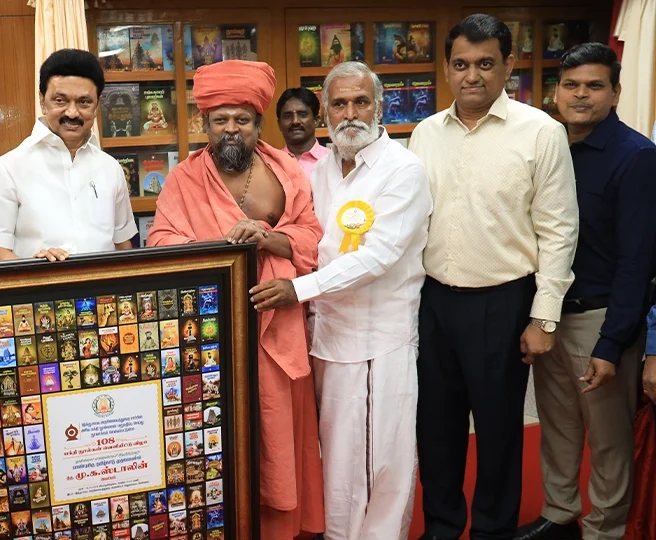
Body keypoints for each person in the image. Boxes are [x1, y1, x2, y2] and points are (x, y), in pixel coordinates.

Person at [409, 14, 578, 540]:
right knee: (435, 429)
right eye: (461, 64)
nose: (472, 75)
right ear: (446, 68)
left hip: (503, 303)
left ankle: (492, 531)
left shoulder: (541, 132)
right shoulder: (424, 133)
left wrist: (544, 319)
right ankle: (441, 527)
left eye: (486, 63)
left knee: (499, 429)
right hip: (433, 302)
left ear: (509, 66)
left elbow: (559, 230)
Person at [251, 61, 432, 539]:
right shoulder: (318, 172)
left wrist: (297, 290)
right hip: (324, 337)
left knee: (380, 458)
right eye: (339, 104)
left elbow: (379, 256)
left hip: (378, 339)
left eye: (361, 102)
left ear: (380, 108)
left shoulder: (403, 170)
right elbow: (305, 237)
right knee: (335, 454)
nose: (350, 114)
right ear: (325, 113)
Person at [146, 59, 325, 539]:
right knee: (215, 437)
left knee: (277, 431)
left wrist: (268, 237)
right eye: (220, 119)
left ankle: (280, 529)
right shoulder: (184, 178)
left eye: (242, 119)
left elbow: (312, 238)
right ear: (204, 124)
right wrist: (218, 252)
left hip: (276, 323)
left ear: (258, 124)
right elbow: (161, 241)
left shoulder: (287, 171)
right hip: (211, 332)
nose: (231, 128)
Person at [516, 43, 656, 540]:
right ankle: (559, 515)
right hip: (549, 314)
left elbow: (638, 263)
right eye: (571, 85)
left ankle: (604, 528)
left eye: (594, 86)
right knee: (557, 427)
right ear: (557, 91)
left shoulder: (637, 157)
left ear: (615, 93)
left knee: (608, 438)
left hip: (601, 319)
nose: (580, 95)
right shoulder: (546, 145)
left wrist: (612, 343)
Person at [0, 49, 136, 262]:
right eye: (60, 100)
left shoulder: (111, 168)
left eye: (84, 102)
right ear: (42, 101)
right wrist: (36, 269)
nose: (72, 113)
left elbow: (122, 244)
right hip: (36, 284)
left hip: (102, 284)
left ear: (97, 105)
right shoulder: (9, 167)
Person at [276, 87, 330, 178]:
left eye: (302, 115)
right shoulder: (272, 164)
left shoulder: (333, 161)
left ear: (316, 120)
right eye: (287, 116)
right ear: (279, 124)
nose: (295, 121)